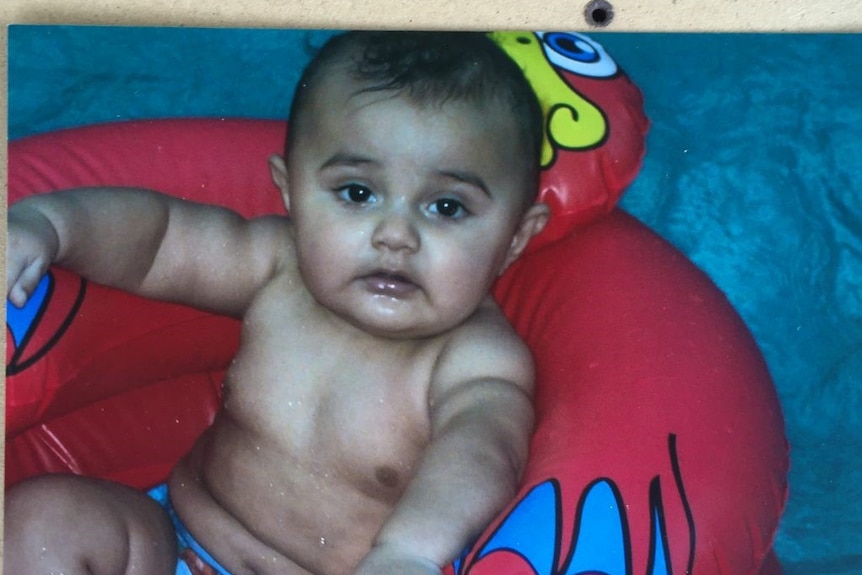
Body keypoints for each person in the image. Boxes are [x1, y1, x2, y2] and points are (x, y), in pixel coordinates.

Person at [4, 31, 550, 575]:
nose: (396, 235)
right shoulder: (278, 267)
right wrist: (51, 225)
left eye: (447, 207)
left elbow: (481, 454)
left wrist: (408, 554)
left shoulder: (474, 359)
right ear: (290, 193)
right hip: (173, 541)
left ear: (516, 239)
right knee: (44, 517)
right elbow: (161, 239)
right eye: (358, 193)